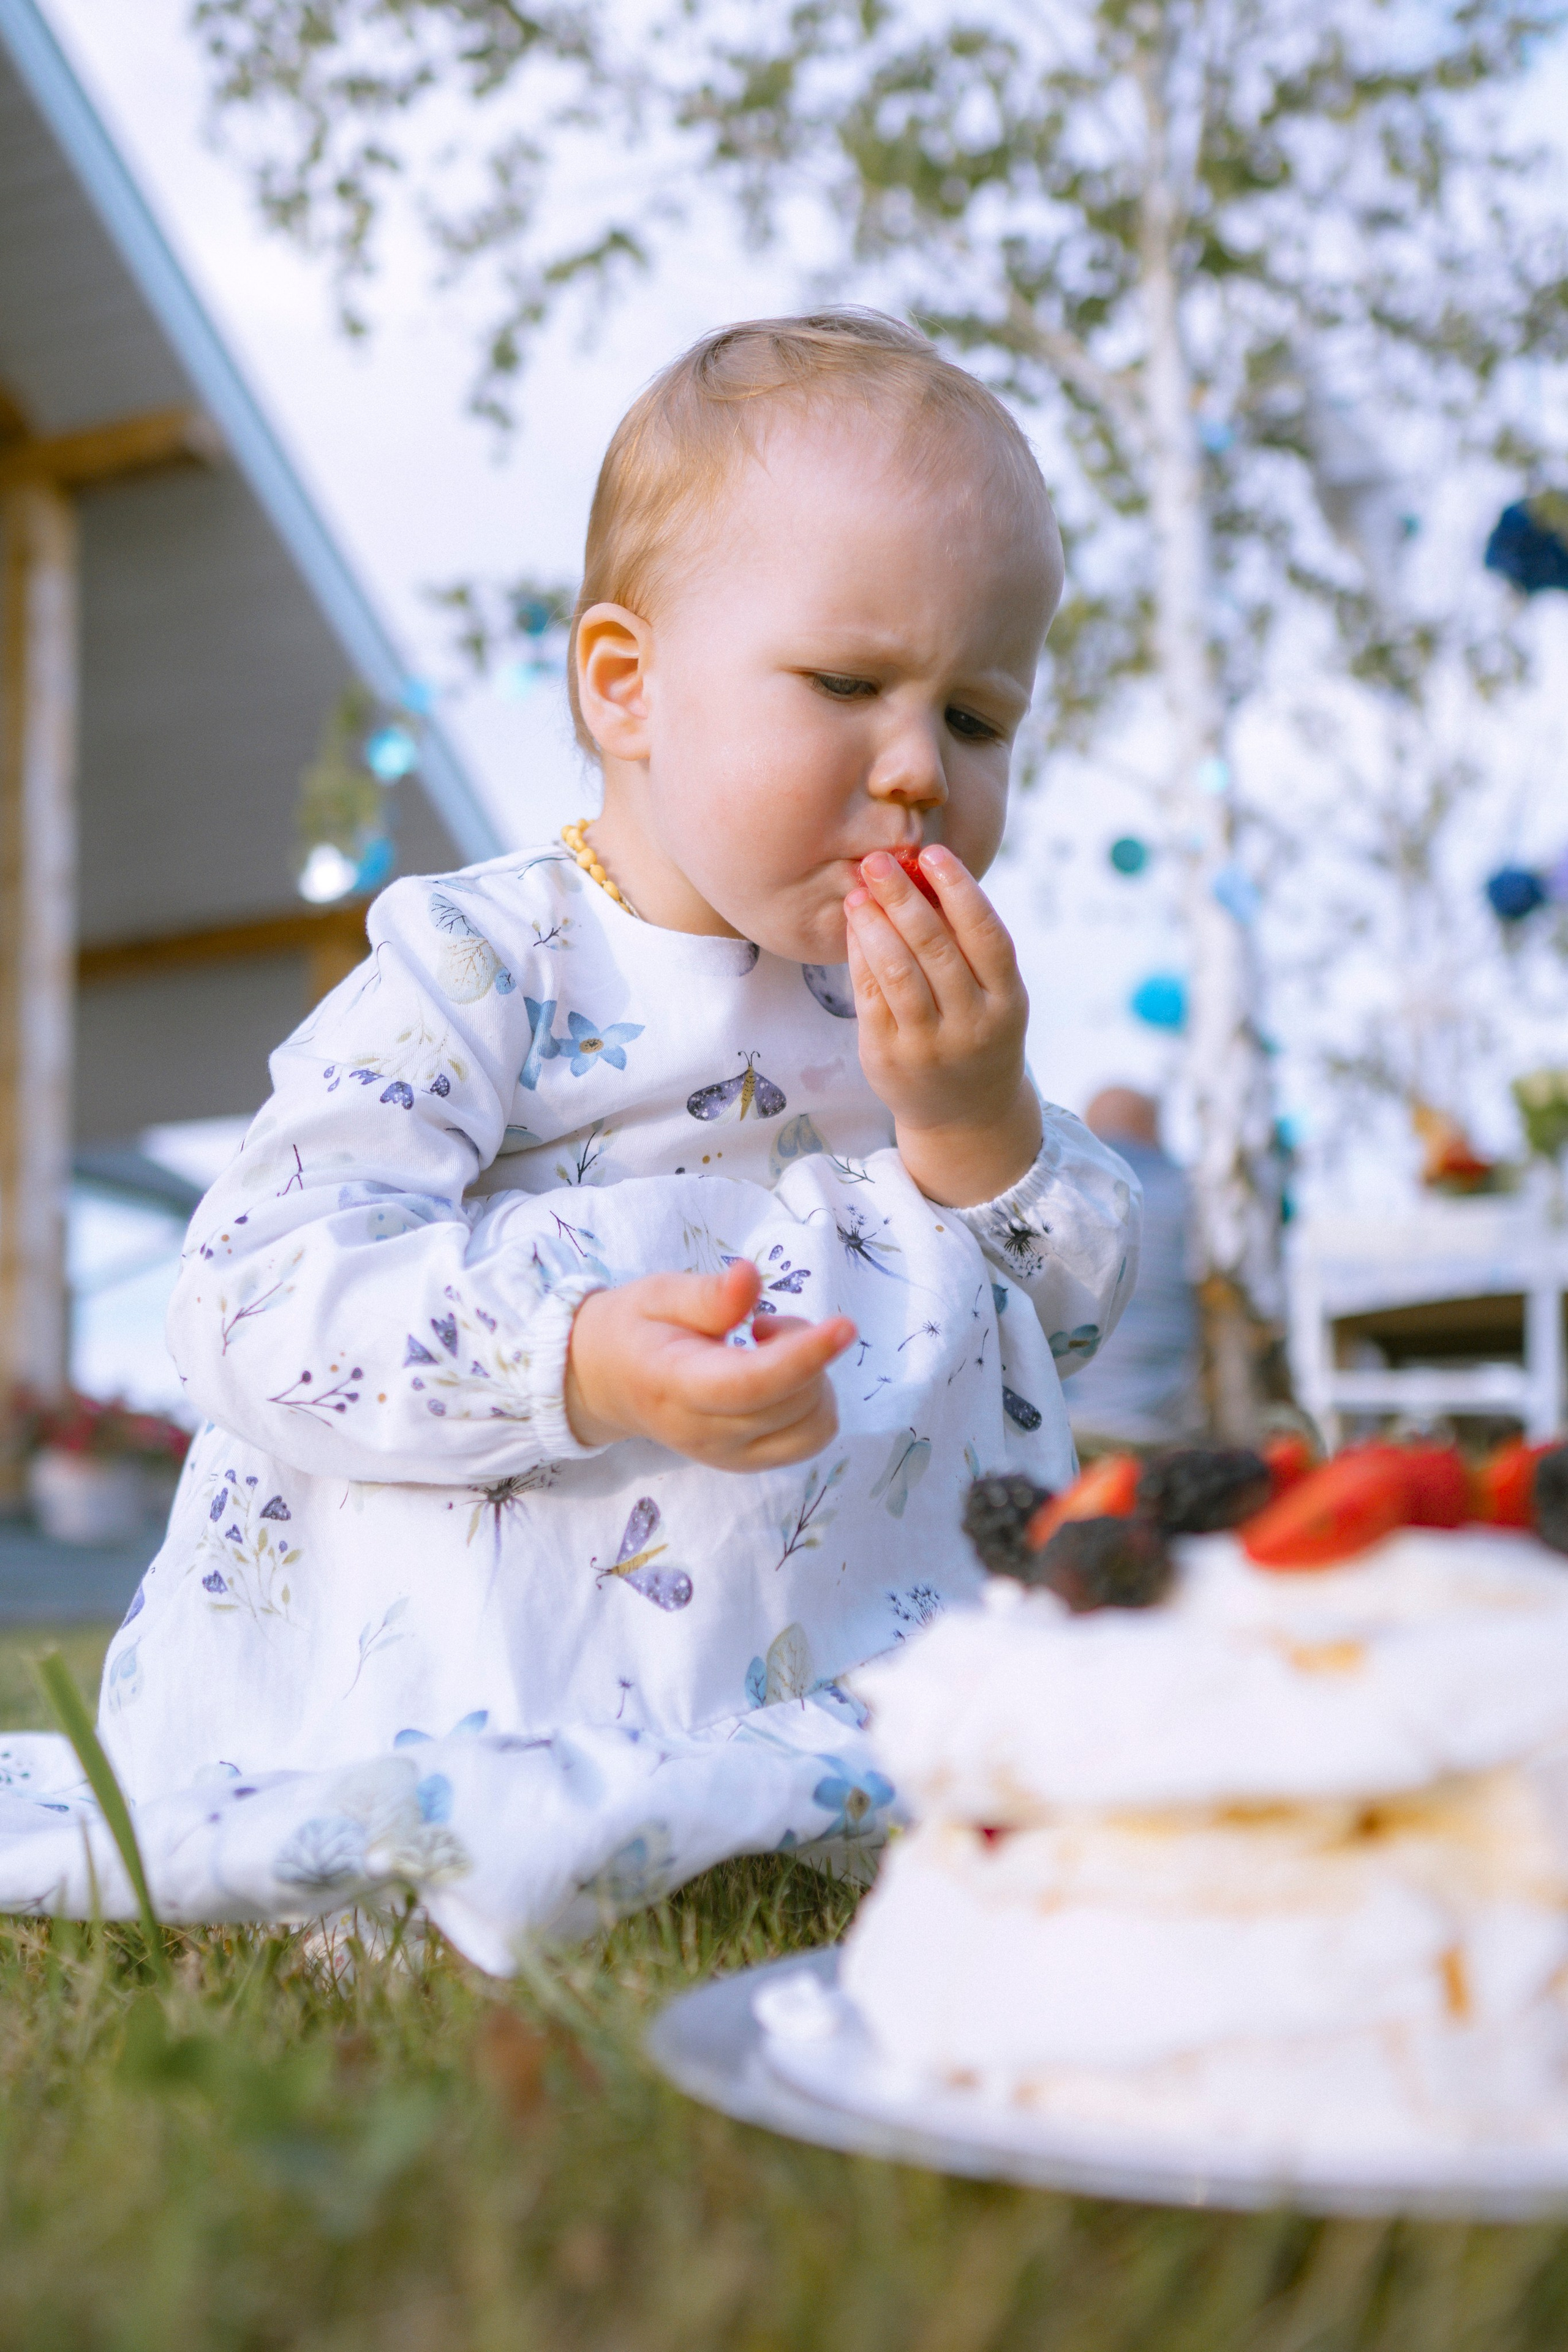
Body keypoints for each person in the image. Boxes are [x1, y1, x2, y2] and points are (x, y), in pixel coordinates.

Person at [0, 314, 1140, 1964]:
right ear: (626, 685)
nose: (916, 770)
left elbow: (1059, 1320)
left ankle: (817, 1778)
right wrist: (576, 1357)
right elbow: (252, 1290)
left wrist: (973, 1117)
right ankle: (523, 1799)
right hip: (487, 1648)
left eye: (977, 717)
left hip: (838, 1639)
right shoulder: (486, 965)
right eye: (847, 684)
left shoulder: (906, 1013)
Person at [1065, 1087, 1201, 1448]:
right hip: (1156, 1433)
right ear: (1154, 1130)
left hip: (1060, 1427)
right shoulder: (1189, 1193)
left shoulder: (1055, 1194)